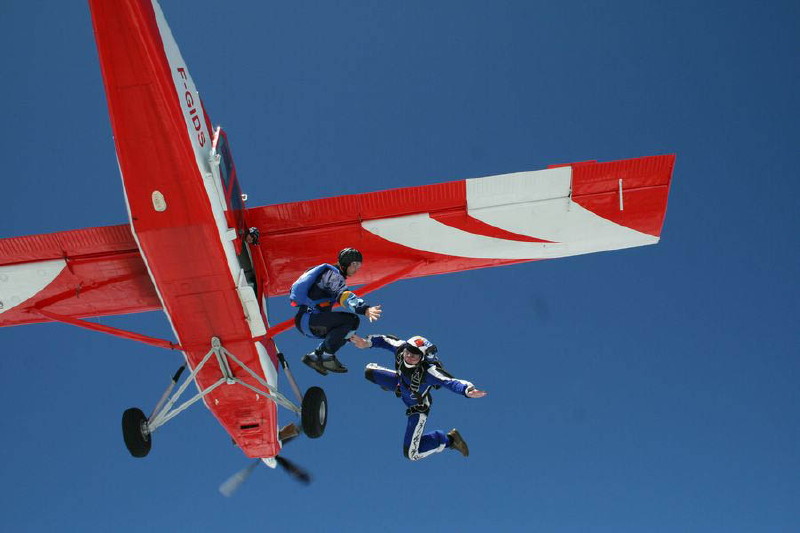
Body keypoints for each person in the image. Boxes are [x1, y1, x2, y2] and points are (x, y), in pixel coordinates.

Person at [351, 333, 487, 461]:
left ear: (422, 358)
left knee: (412, 454)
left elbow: (450, 382)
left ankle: (449, 440)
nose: (409, 357)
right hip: (399, 384)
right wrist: (366, 342)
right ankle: (392, 385)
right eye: (408, 353)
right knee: (369, 371)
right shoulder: (401, 348)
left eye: (414, 356)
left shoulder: (429, 371)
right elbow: (384, 340)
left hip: (417, 406)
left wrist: (467, 390)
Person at [290, 248, 382, 375]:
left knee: (350, 326)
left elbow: (340, 330)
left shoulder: (329, 275)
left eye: (359, 265)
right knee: (351, 320)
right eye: (355, 264)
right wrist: (364, 308)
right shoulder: (332, 275)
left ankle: (315, 356)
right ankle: (326, 357)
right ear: (346, 262)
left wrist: (349, 336)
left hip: (307, 321)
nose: (356, 269)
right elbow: (343, 295)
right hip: (310, 319)